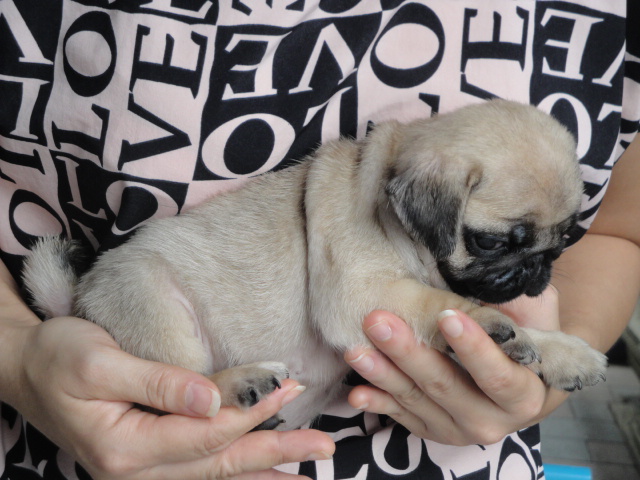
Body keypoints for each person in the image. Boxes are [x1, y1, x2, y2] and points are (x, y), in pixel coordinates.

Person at [1, 1, 638, 478]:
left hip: (458, 457)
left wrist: (537, 378)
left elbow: (617, 231)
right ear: (427, 207)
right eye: (498, 243)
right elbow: (358, 312)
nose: (534, 266)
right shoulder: (372, 194)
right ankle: (209, 396)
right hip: (93, 408)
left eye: (553, 243)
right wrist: (18, 356)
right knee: (144, 282)